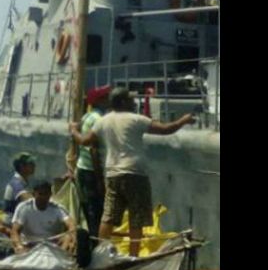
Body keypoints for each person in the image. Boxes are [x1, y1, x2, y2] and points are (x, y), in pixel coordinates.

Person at [70, 87, 196, 257]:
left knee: (108, 216)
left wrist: (73, 130)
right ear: (123, 102)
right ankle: (133, 256)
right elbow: (167, 129)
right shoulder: (136, 119)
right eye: (130, 99)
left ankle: (101, 254)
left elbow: (84, 140)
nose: (133, 101)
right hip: (135, 173)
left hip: (113, 173)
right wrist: (184, 120)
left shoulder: (103, 121)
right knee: (136, 217)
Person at [74, 85, 111, 237]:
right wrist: (99, 178)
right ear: (101, 100)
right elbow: (94, 150)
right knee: (96, 209)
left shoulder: (86, 117)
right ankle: (95, 242)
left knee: (88, 208)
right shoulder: (99, 120)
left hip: (82, 166)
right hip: (91, 170)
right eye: (107, 97)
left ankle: (90, 238)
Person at [10, 179, 76, 254]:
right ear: (34, 194)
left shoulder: (57, 208)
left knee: (67, 237)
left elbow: (71, 225)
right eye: (40, 194)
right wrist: (19, 246)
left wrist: (72, 237)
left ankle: (62, 256)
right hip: (29, 244)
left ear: (50, 194)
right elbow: (15, 231)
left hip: (52, 245)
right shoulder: (24, 208)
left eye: (46, 194)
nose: (43, 197)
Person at [2, 152, 37, 225]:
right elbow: (30, 200)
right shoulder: (16, 183)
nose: (34, 166)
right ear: (22, 166)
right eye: (31, 163)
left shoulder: (24, 182)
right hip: (11, 225)